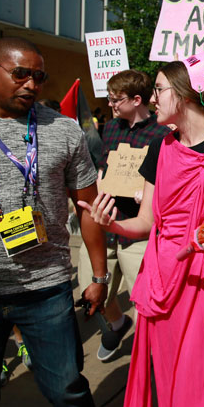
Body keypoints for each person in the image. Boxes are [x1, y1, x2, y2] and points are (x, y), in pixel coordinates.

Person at [79, 57, 204, 407]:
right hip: (162, 282)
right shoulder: (160, 147)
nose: (152, 98)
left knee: (202, 385)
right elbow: (146, 221)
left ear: (185, 95)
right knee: (168, 377)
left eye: (158, 89)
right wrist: (111, 225)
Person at [0, 36, 108, 407]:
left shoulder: (64, 130)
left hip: (46, 290)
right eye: (21, 74)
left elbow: (87, 208)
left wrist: (99, 276)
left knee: (68, 392)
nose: (31, 84)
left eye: (39, 77)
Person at [77, 70, 170, 362]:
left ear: (137, 99)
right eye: (110, 99)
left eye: (116, 100)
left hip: (137, 230)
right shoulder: (111, 129)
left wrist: (152, 191)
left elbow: (167, 178)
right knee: (89, 290)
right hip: (103, 224)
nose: (111, 105)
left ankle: (152, 354)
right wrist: (101, 180)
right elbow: (105, 165)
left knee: (145, 299)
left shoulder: (164, 133)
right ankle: (117, 324)